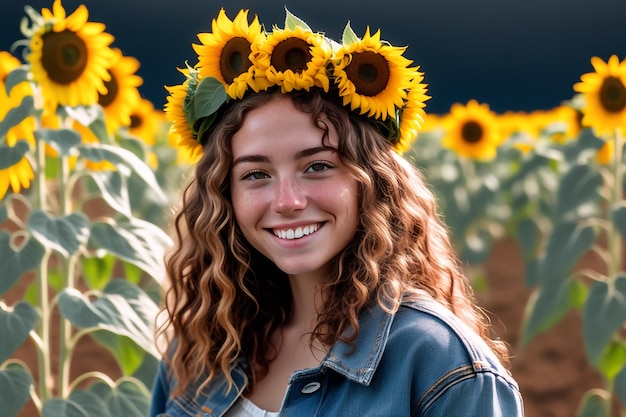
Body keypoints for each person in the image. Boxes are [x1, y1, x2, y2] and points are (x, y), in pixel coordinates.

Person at [150, 8, 524, 417]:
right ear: (225, 194)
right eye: (256, 174)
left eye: (317, 166)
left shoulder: (440, 363)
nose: (287, 201)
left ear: (372, 182)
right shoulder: (203, 347)